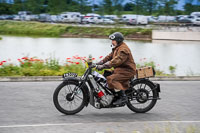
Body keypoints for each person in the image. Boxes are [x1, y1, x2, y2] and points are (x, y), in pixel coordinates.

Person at [96, 32, 136, 105]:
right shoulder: (117, 48)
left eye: (113, 40)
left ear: (118, 40)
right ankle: (114, 94)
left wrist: (104, 66)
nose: (112, 42)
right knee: (105, 75)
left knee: (111, 79)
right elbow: (109, 56)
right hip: (120, 70)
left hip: (127, 71)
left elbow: (117, 60)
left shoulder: (123, 49)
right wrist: (99, 63)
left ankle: (122, 97)